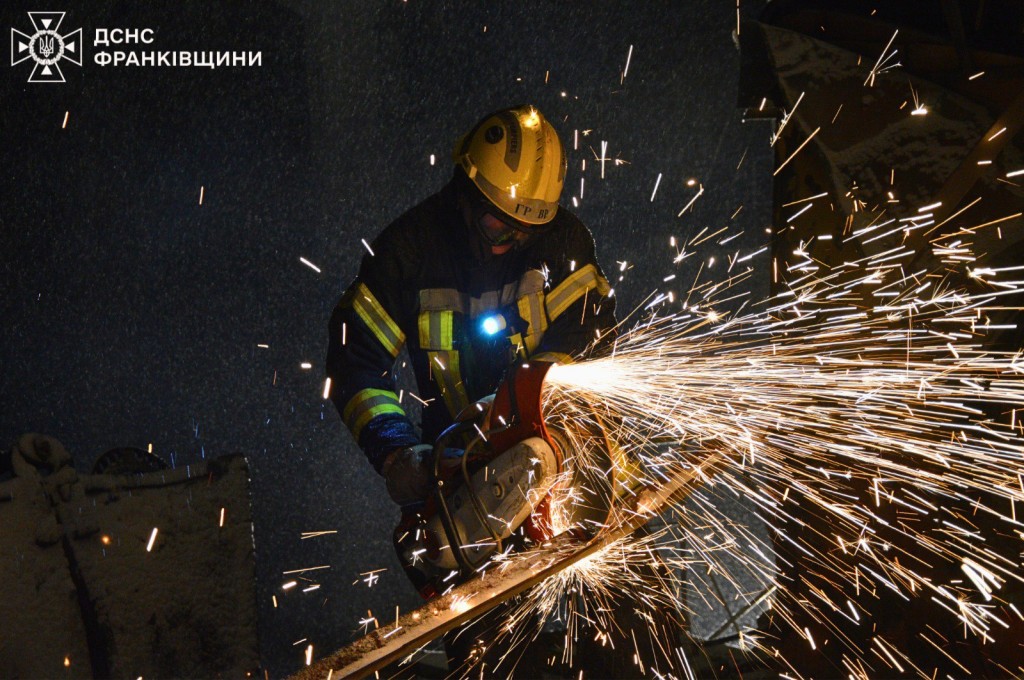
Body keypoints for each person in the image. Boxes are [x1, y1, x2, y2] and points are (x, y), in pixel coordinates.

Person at [325, 105, 619, 675]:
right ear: (466, 191)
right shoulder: (408, 253)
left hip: (566, 447)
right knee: (492, 653)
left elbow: (590, 333)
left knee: (628, 610)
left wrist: (530, 404)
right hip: (463, 474)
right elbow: (354, 360)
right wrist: (395, 452)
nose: (511, 240)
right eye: (497, 226)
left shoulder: (561, 241)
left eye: (525, 230)